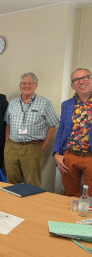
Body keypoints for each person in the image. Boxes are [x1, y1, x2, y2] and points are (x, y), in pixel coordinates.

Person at [4, 72, 59, 187]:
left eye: (30, 83)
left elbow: (52, 127)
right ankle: (14, 205)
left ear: (36, 86)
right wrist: (7, 142)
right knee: (12, 182)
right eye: (24, 83)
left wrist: (42, 148)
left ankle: (31, 205)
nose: (26, 85)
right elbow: (8, 124)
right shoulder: (13, 103)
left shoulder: (45, 103)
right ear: (20, 86)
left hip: (33, 148)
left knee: (32, 184)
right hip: (12, 147)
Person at [53, 68, 92, 197]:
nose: (81, 82)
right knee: (71, 197)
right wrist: (56, 153)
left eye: (85, 77)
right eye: (76, 80)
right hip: (69, 156)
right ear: (72, 85)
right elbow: (61, 131)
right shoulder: (67, 105)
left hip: (90, 157)